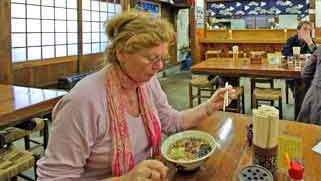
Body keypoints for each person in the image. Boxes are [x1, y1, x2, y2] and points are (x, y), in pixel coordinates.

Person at [37, 11, 235, 181]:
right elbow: (54, 177)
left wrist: (209, 106)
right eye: (151, 58)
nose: (159, 67)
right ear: (121, 53)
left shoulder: (146, 83)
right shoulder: (82, 101)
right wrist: (127, 178)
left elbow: (171, 121)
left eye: (163, 58)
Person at [282, 21, 316, 119]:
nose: (307, 32)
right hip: (292, 73)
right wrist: (302, 57)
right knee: (300, 87)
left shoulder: (310, 41)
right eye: (305, 29)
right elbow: (285, 54)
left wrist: (309, 42)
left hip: (307, 73)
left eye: (309, 30)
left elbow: (317, 55)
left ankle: (304, 111)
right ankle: (301, 116)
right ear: (298, 30)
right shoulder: (291, 40)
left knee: (307, 86)